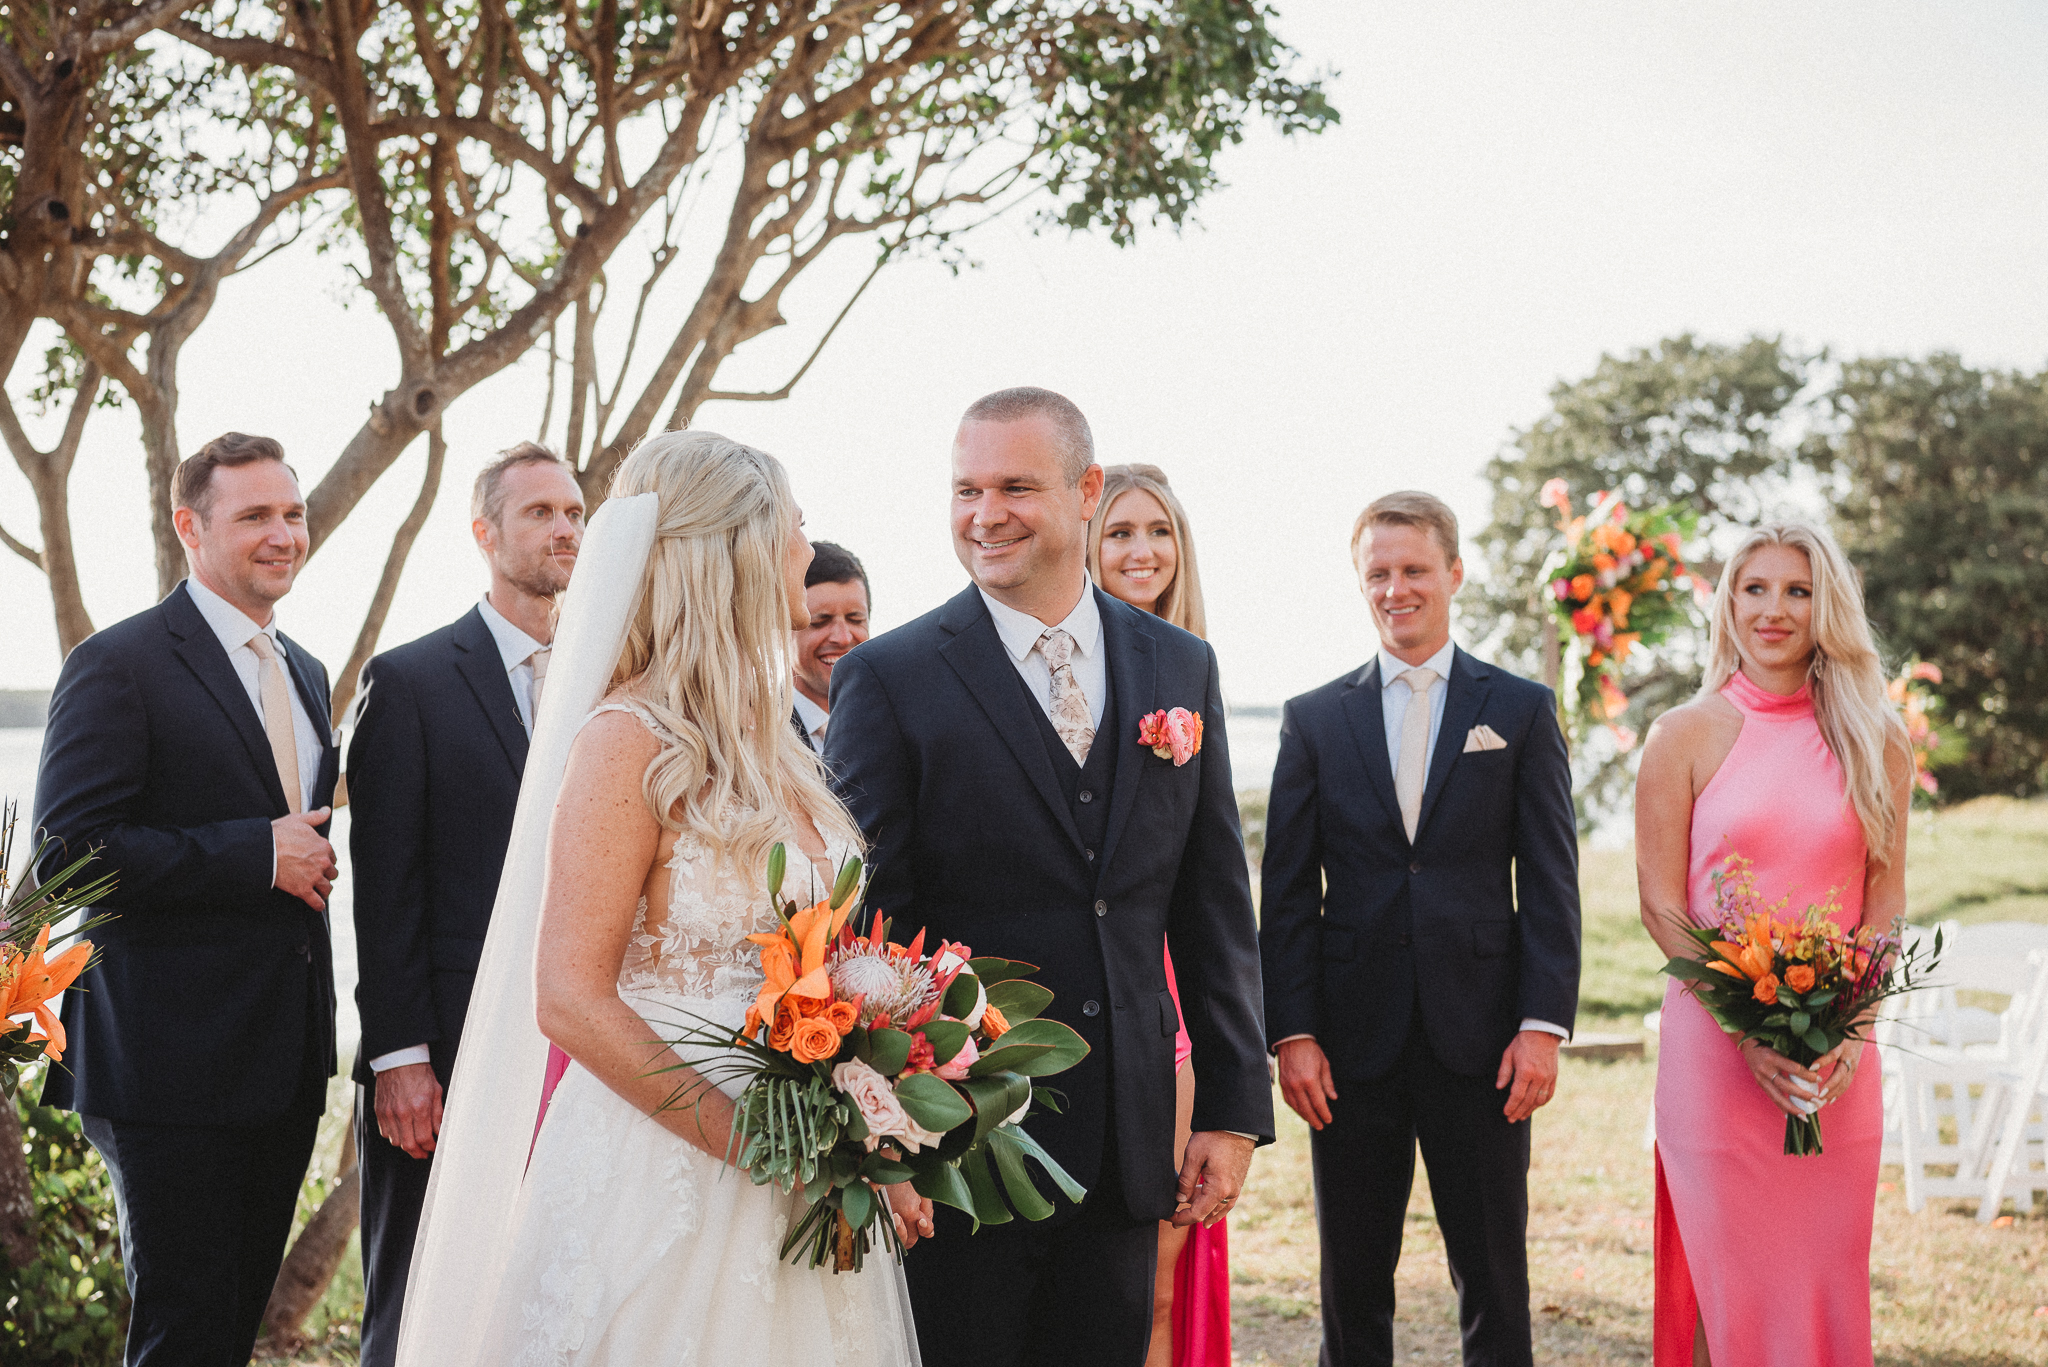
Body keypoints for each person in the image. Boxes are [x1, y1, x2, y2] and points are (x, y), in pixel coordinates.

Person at [393, 431, 917, 1366]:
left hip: (806, 1157)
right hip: (665, 1163)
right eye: (791, 526)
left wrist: (874, 1114)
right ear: (735, 550)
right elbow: (568, 995)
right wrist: (756, 1143)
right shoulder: (627, 738)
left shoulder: (780, 742)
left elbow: (814, 960)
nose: (805, 547)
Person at [826, 387, 1274, 1366]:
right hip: (957, 1136)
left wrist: (1234, 1109)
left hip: (1126, 1137)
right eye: (966, 489)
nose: (985, 513)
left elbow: (1211, 906)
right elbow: (862, 929)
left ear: (1085, 491)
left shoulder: (1178, 665)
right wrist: (877, 1131)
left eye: (1015, 486)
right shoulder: (889, 677)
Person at [34, 433, 341, 1366]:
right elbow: (65, 855)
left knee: (228, 1327)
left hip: (281, 1062)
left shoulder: (307, 671)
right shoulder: (118, 662)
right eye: (255, 515)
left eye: (291, 513)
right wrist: (255, 853)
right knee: (181, 1331)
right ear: (189, 527)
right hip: (165, 1064)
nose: (282, 533)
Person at [1259, 491, 1579, 1367]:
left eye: (1413, 570)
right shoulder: (1315, 718)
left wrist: (1542, 1027)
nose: (1396, 589)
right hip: (1349, 1048)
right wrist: (1292, 1031)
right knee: (1352, 1283)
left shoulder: (1518, 710)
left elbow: (1551, 882)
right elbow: (1284, 892)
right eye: (1378, 573)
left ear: (1454, 573)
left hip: (1484, 1044)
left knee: (1493, 1277)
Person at [1634, 523, 1907, 1367]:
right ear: (1727, 603)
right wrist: (1747, 1029)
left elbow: (1885, 899)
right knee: (1732, 1280)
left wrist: (1852, 1031)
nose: (1774, 609)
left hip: (1837, 1069)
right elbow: (1661, 903)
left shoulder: (1878, 738)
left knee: (1821, 1277)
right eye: (1754, 588)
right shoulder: (1683, 732)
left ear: (1827, 606)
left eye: (1797, 590)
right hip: (1715, 1061)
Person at [344, 442, 585, 1367]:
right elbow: (385, 883)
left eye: (572, 512)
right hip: (443, 1048)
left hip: (576, 1045)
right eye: (538, 513)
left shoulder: (607, 676)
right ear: (485, 533)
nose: (563, 528)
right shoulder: (410, 680)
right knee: (416, 1295)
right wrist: (400, 1056)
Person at [1085, 463, 1227, 1367]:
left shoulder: (1196, 669)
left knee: (1168, 1259)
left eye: (1159, 531)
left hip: (1176, 996)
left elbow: (1219, 888)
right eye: (1122, 533)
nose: (1144, 552)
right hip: (1097, 981)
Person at [791, 540, 871, 752]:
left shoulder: (886, 722)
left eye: (855, 619)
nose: (843, 638)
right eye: (820, 621)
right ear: (785, 629)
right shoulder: (757, 730)